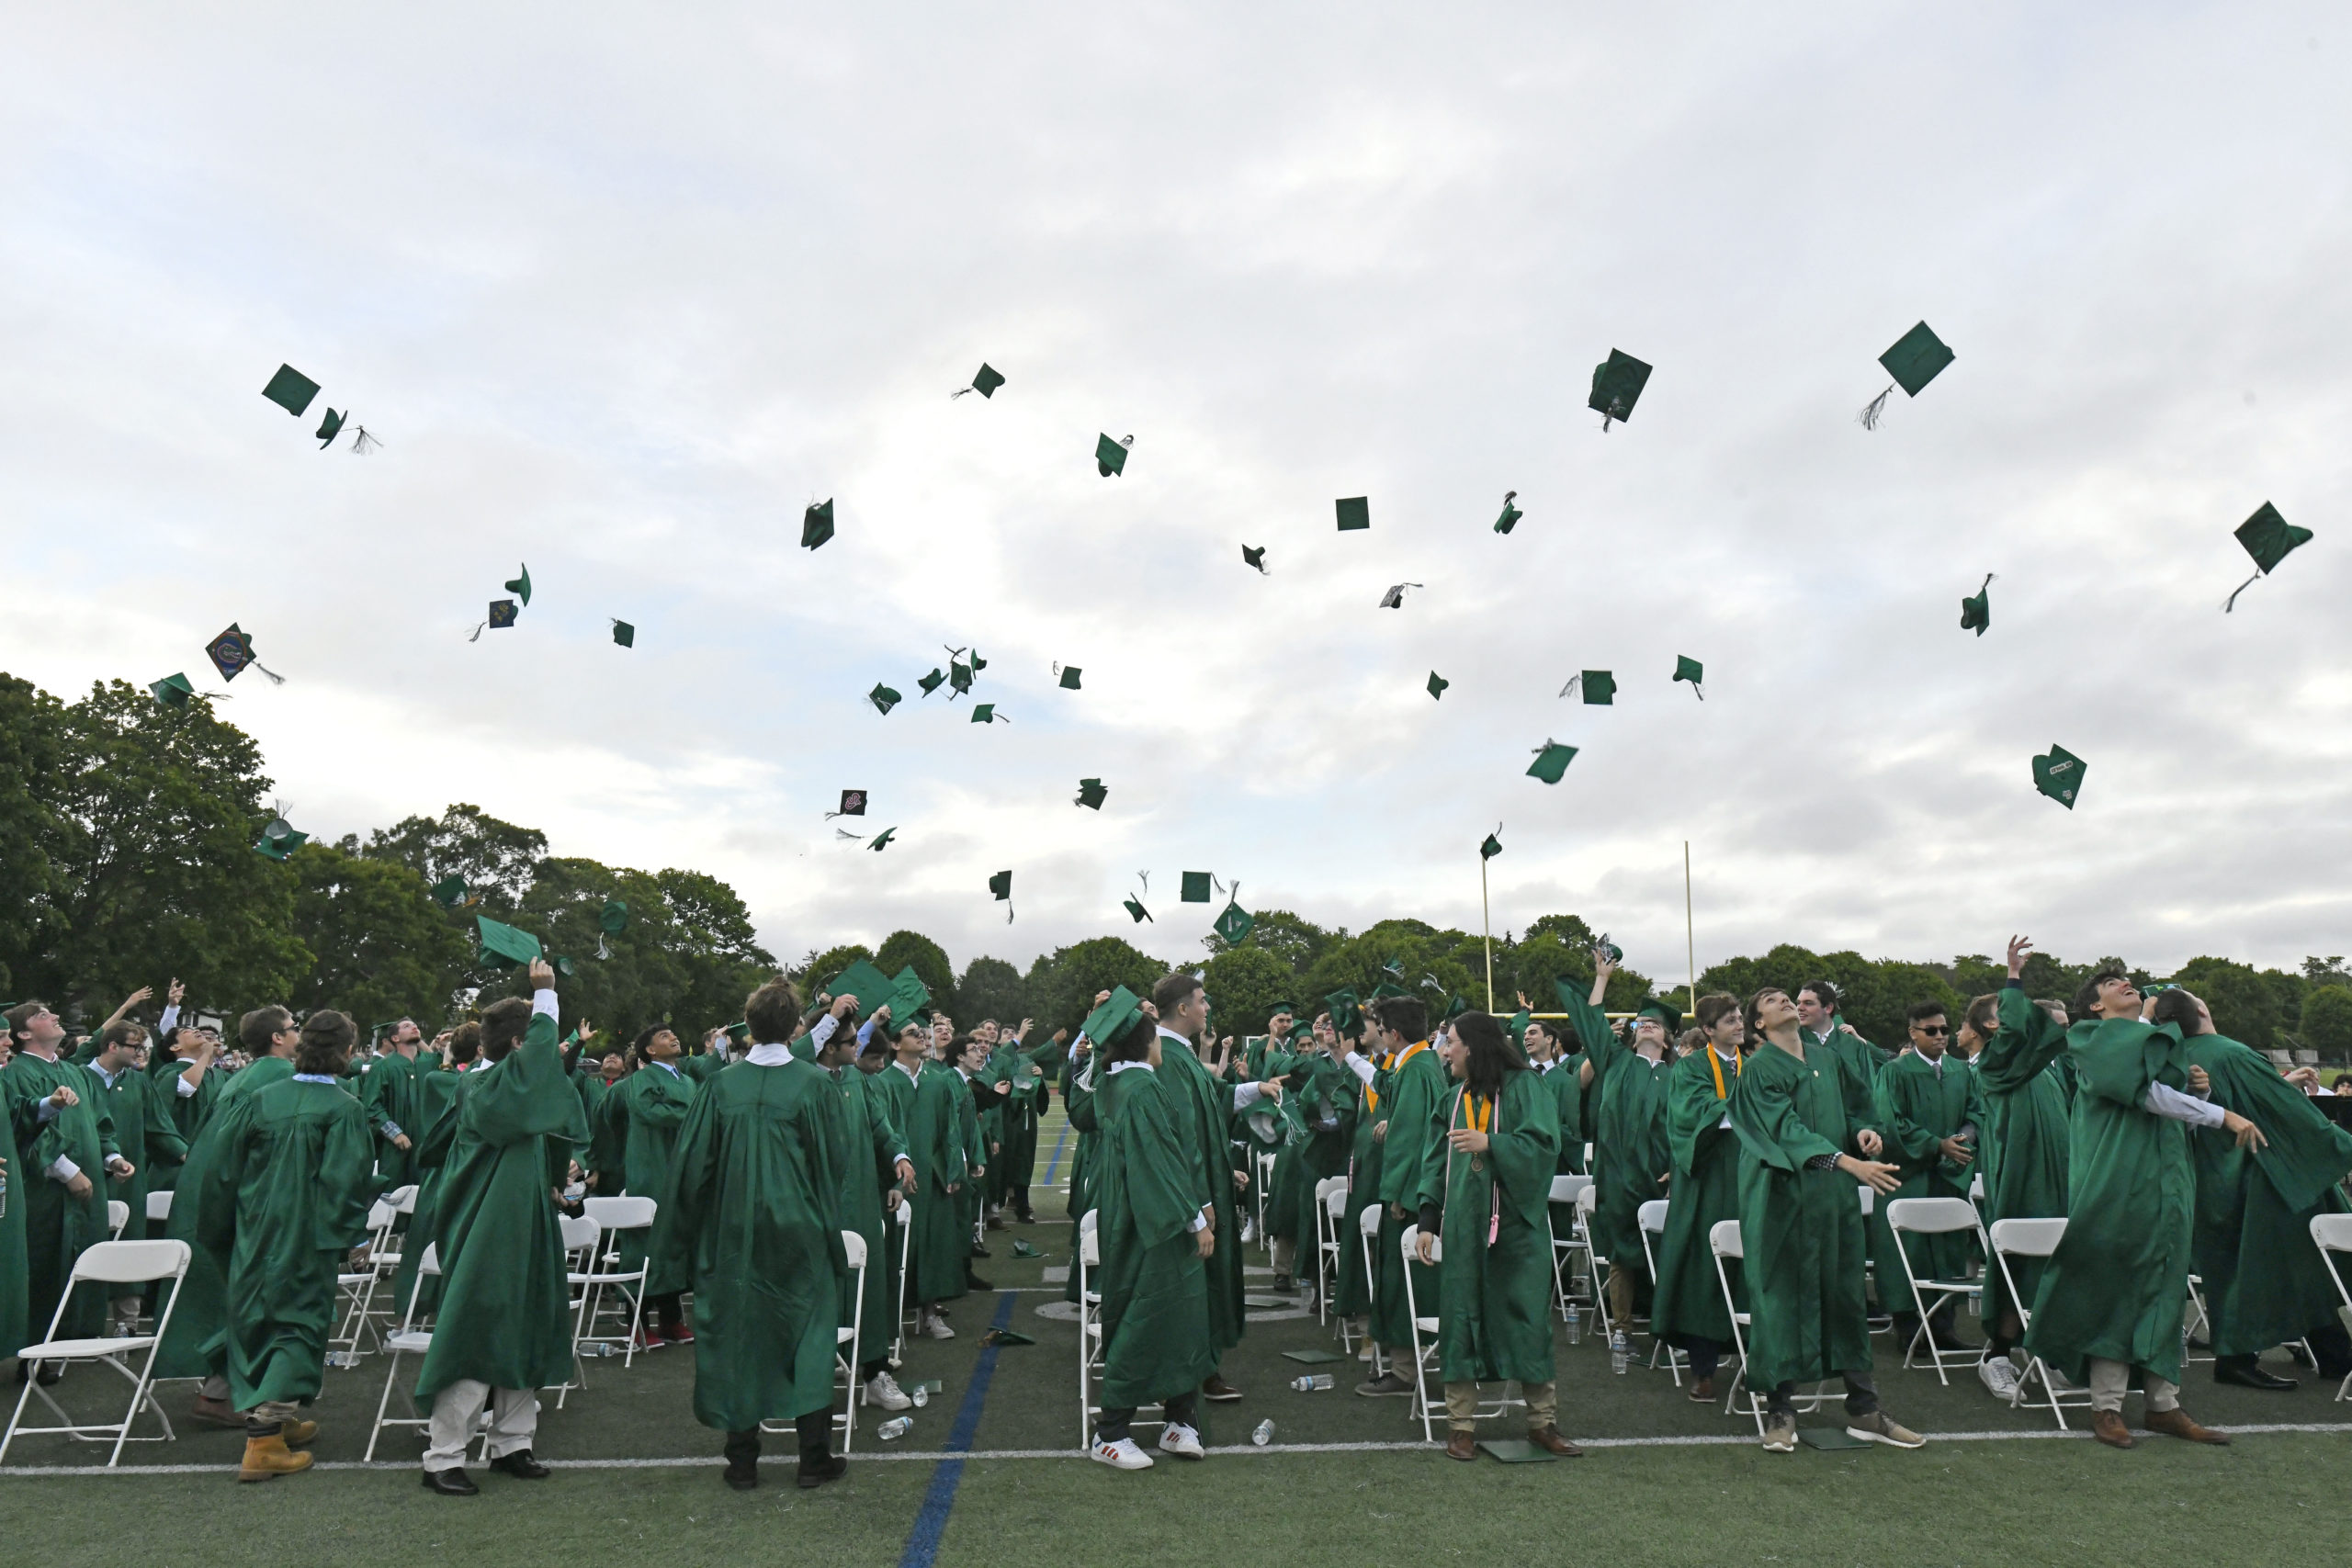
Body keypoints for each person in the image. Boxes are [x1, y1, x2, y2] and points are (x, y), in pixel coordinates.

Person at [654, 978, 898, 1491]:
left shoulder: (719, 1088)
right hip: (800, 1230)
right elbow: (833, 1165)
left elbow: (692, 1170)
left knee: (740, 1338)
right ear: (795, 1028)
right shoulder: (814, 1085)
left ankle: (742, 1461)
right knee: (808, 1338)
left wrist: (682, 1239)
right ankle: (813, 1459)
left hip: (733, 1233)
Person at [2021, 965, 2251, 1449]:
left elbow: (2171, 1121)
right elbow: (2146, 1097)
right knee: (2116, 1292)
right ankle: (2106, 1407)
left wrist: (2201, 1093)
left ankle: (2164, 1405)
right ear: (2096, 1005)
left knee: (2166, 1292)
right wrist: (2219, 1113)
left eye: (2128, 979)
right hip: (2119, 1187)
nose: (2127, 984)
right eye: (2112, 984)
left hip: (2167, 1186)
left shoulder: (2158, 1042)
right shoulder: (2091, 1038)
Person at [414, 959, 588, 1494]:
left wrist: (557, 1182)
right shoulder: (488, 1090)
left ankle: (513, 1442)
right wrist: (546, 997)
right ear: (519, 1046)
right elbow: (537, 1075)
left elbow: (542, 1133)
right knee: (479, 1334)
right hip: (489, 1229)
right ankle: (443, 1456)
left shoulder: (508, 1091)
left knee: (526, 1326)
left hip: (524, 1223)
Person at [1727, 987, 1923, 1452]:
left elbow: (1858, 1105)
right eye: (1772, 1001)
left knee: (1845, 1296)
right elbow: (1784, 1131)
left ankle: (1864, 1409)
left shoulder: (1828, 1058)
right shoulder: (1757, 1071)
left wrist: (1864, 1132)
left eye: (1787, 998)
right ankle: (1781, 1411)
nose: (1785, 1002)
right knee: (1781, 1299)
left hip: (1832, 1201)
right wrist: (1845, 1162)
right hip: (1781, 1200)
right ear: (1759, 1023)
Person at [195, 1010, 376, 1481]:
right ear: (348, 1054)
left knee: (257, 1319)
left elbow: (219, 1174)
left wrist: (222, 1233)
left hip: (254, 1231)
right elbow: (344, 1185)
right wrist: (347, 1236)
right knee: (296, 1325)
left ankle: (280, 1415)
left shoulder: (258, 1099)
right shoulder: (344, 1109)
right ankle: (264, 1442)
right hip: (304, 1236)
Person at [2151, 987, 2352, 1391]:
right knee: (2289, 1266)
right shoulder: (2230, 1054)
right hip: (2260, 1180)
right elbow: (2293, 1117)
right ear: (2202, 1009)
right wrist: (2342, 1145)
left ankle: (2335, 1355)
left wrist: (2281, 1083)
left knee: (2247, 1271)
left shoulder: (2178, 1058)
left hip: (2207, 1179)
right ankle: (2239, 1358)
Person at [1414, 1010, 1576, 1458]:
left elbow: (1546, 1147)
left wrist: (1494, 1144)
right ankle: (1460, 1425)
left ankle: (1542, 1422)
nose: (1445, 1051)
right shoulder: (1452, 1099)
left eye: (1451, 1042)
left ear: (1475, 1046)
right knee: (1461, 1317)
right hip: (1464, 1227)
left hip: (1517, 1229)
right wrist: (1428, 1220)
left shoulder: (1526, 1087)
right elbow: (1433, 1162)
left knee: (1526, 1318)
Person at [1087, 988, 1218, 1470]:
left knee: (1181, 1318)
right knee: (1147, 1319)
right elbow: (1160, 1165)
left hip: (1142, 1218)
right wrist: (1194, 1218)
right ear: (1145, 1041)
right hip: (1155, 1226)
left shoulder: (1120, 1083)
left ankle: (1179, 1418)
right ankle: (1111, 1430)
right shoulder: (1140, 1090)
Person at [154, 1005, 302, 1421]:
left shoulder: (243, 1076)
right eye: (294, 1027)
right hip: (239, 1198)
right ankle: (225, 1395)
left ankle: (225, 1392)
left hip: (210, 1192)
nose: (298, 1033)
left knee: (231, 1292)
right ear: (277, 1038)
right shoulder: (278, 1077)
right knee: (249, 1293)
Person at [1152, 972, 1281, 1404]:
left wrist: (1257, 1088)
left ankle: (1203, 1367)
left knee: (1208, 1285)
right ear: (1184, 1008)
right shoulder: (1167, 1057)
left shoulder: (1181, 1054)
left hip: (1207, 1186)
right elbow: (1183, 1138)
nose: (1208, 1008)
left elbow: (1213, 1101)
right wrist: (1202, 1200)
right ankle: (1193, 1374)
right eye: (1202, 1001)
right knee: (1196, 1285)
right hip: (1193, 1199)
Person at [794, 992, 919, 1413]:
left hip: (861, 1203)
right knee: (818, 1287)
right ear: (830, 1046)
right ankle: (813, 1370)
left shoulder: (859, 1083)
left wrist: (899, 1158)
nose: (859, 1049)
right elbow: (794, 1055)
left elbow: (882, 1129)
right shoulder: (799, 1081)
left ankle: (874, 1372)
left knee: (869, 1287)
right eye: (852, 1043)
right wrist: (830, 1017)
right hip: (815, 1204)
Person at [1969, 939, 2076, 1398]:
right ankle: (1997, 1355)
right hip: (2020, 1174)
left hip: (2061, 1175)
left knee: (2059, 1261)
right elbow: (2016, 1036)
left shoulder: (2050, 1069)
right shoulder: (1996, 1064)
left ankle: (2046, 1351)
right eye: (2013, 1009)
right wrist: (2012, 977)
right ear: (1994, 1023)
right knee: (2019, 1260)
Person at [4, 1001, 128, 1371]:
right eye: (43, 1015)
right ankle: (38, 1350)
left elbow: (100, 1123)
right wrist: (66, 1170)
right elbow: (20, 1126)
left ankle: (77, 1339)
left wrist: (111, 1157)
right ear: (24, 1033)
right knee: (45, 1262)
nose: (54, 1016)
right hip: (46, 1191)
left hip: (88, 1186)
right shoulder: (15, 1074)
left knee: (84, 1259)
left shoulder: (75, 1074)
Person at [1559, 953, 1675, 1335]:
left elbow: (1683, 1125)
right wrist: (1602, 979)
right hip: (1618, 1175)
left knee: (1663, 1248)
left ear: (1667, 1037)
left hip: (1658, 1175)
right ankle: (1622, 1325)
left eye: (1655, 1024)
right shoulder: (1616, 1060)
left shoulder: (1679, 1076)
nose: (1645, 1027)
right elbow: (1592, 1021)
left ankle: (1664, 1324)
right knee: (1623, 1250)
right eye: (1642, 1023)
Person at [1873, 1000, 1986, 1357]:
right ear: (1913, 1033)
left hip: (1947, 1178)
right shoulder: (1895, 1072)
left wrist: (1962, 1139)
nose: (1940, 1036)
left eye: (1944, 1029)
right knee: (1910, 1249)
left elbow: (1976, 1112)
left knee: (1947, 1248)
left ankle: (1944, 1328)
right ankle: (1909, 1329)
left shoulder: (1960, 1071)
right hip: (1908, 1177)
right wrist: (1937, 1145)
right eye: (1931, 1030)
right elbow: (1891, 1123)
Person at [1650, 993, 1748, 1402]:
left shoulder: (1755, 1065)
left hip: (1749, 1180)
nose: (1739, 1024)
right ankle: (1703, 1368)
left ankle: (1754, 1362)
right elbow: (1695, 1113)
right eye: (1729, 1020)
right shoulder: (1690, 1069)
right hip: (1706, 1183)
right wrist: (1746, 1108)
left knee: (1750, 1272)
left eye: (1740, 1017)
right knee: (1703, 1275)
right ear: (1708, 1030)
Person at [79, 1021, 188, 1331]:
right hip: (87, 1178)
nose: (142, 1053)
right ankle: (83, 1323)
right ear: (113, 1046)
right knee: (88, 1245)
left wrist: (189, 1157)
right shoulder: (80, 1078)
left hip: (129, 1180)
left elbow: (158, 1127)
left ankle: (126, 1321)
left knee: (129, 1244)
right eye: (135, 1047)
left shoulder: (138, 1083)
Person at [599, 1021, 698, 1347]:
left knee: (674, 1246)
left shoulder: (687, 1080)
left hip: (681, 1171)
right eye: (664, 1036)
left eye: (673, 1033)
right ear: (650, 1051)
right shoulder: (641, 1079)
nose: (673, 1036)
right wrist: (690, 1114)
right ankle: (636, 1322)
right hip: (652, 1170)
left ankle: (671, 1319)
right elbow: (648, 1110)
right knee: (645, 1246)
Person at [873, 1013, 968, 1339]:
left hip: (932, 1174)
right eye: (912, 1033)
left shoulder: (938, 1081)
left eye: (922, 1032)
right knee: (900, 1246)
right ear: (895, 1044)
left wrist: (953, 1169)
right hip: (894, 1178)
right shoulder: (882, 1083)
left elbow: (949, 1131)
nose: (923, 1037)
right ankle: (891, 1317)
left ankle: (930, 1313)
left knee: (933, 1245)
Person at [361, 1019, 425, 1194]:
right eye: (407, 1026)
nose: (414, 1027)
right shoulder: (383, 1067)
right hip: (394, 1148)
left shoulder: (429, 1064)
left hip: (424, 1146)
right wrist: (394, 1133)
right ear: (395, 1038)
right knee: (392, 1196)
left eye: (416, 1025)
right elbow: (371, 1105)